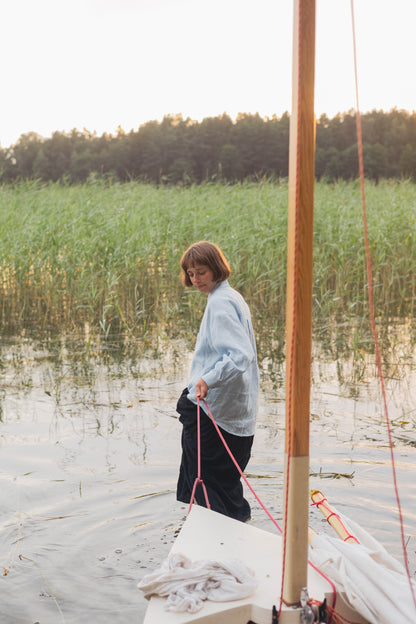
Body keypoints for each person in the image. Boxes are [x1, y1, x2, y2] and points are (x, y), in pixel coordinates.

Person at [176, 241, 259, 523]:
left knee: (206, 485)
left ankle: (216, 544)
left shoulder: (221, 303)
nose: (195, 279)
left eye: (201, 272)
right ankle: (236, 532)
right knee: (225, 486)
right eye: (191, 273)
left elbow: (240, 354)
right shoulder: (229, 296)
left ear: (216, 269)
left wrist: (207, 379)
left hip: (215, 410)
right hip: (231, 410)